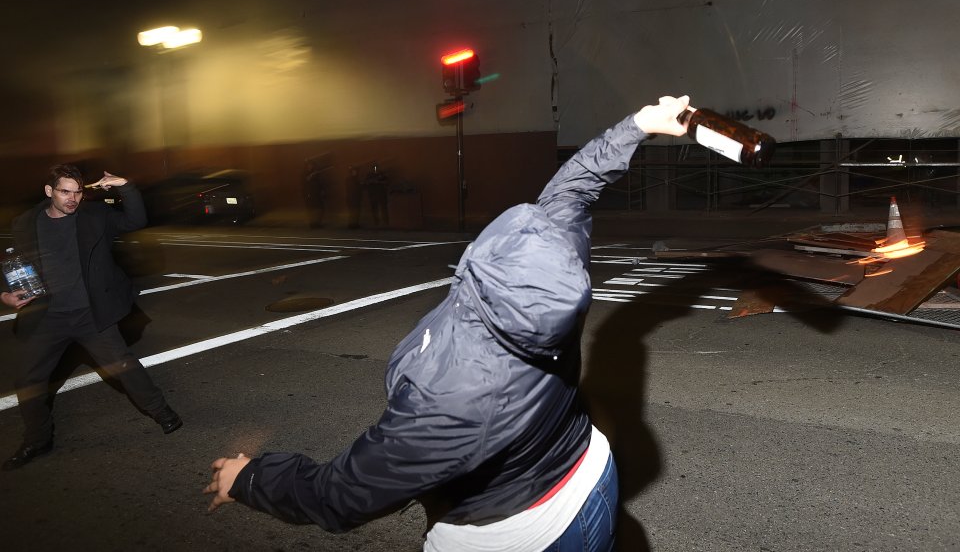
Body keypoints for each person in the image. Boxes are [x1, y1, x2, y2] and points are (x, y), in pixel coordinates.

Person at [203, 96, 692, 550]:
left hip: (521, 532)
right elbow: (573, 188)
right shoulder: (557, 272)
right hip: (590, 473)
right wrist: (640, 126)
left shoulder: (457, 397)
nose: (531, 218)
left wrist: (251, 479)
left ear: (484, 269)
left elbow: (345, 494)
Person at [1, 164, 182, 471]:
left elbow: (136, 219)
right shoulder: (26, 223)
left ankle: (162, 411)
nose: (73, 199)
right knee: (29, 380)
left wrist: (126, 185)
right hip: (48, 318)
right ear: (49, 192)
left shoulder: (94, 217)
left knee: (123, 365)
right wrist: (4, 293)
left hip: (90, 314)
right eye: (65, 191)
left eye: (78, 192)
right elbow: (10, 261)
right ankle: (37, 439)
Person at [363, 162, 388, 228]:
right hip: (373, 195)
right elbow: (366, 183)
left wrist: (378, 182)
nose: (375, 168)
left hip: (381, 194)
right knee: (375, 209)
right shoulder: (369, 175)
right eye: (374, 167)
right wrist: (372, 181)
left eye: (376, 167)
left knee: (383, 208)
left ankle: (385, 221)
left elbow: (386, 182)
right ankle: (376, 221)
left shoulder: (381, 174)